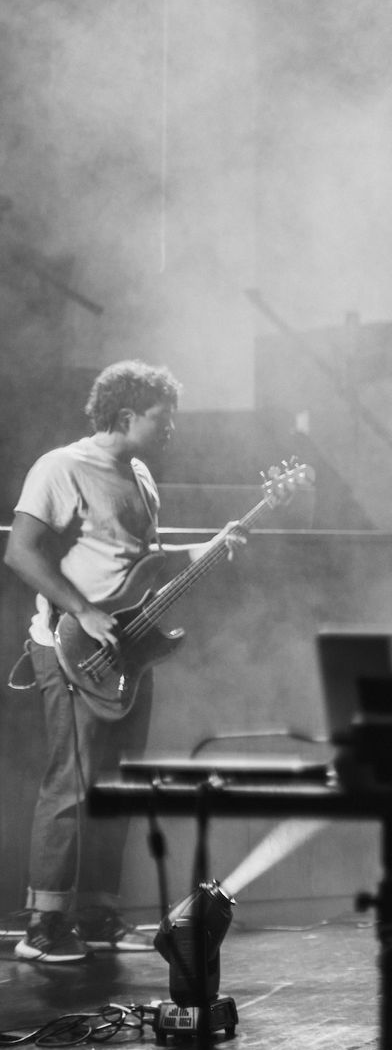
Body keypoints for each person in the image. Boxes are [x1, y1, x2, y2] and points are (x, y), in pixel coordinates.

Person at [6, 361, 243, 963]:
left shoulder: (139, 475)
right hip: (69, 646)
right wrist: (83, 612)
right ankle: (44, 924)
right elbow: (21, 552)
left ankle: (97, 913)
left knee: (115, 784)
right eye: (165, 419)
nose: (173, 430)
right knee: (71, 782)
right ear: (126, 415)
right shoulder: (61, 468)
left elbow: (147, 559)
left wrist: (214, 546)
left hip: (130, 649)